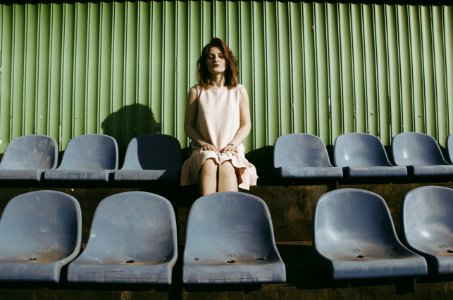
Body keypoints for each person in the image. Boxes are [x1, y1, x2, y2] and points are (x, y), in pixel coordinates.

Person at [180, 37, 258, 195]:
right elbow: (188, 126)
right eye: (210, 56)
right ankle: (206, 217)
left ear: (227, 60)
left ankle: (228, 217)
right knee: (209, 162)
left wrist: (233, 144)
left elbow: (246, 124)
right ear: (204, 63)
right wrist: (203, 143)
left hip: (231, 148)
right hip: (203, 149)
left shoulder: (239, 91)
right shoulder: (196, 91)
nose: (215, 59)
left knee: (227, 166)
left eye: (220, 56)